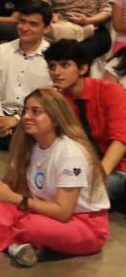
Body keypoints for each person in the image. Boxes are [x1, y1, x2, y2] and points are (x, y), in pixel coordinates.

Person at [0, 87, 111, 267]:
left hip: (82, 222)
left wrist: (13, 198)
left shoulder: (70, 153)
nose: (26, 117)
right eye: (25, 111)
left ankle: (13, 242)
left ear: (56, 119)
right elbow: (11, 184)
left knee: (31, 225)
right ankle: (22, 244)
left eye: (36, 112)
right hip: (38, 209)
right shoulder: (29, 144)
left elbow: (63, 213)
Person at [44, 38, 126, 211]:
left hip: (118, 166)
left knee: (78, 198)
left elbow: (121, 140)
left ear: (83, 68)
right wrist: (46, 105)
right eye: (52, 67)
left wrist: (99, 175)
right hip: (85, 165)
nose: (57, 72)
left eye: (65, 65)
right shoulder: (59, 99)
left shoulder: (110, 91)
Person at [0, 0, 53, 149]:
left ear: (46, 28)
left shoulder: (53, 57)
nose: (25, 28)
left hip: (33, 117)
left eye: (33, 24)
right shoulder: (1, 51)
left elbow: (49, 97)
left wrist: (16, 119)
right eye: (22, 22)